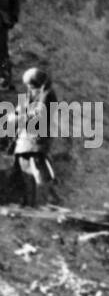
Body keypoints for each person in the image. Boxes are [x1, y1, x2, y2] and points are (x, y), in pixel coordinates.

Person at [13, 67, 57, 206]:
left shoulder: (48, 94)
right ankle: (29, 202)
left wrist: (22, 114)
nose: (30, 88)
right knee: (25, 168)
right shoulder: (30, 94)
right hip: (25, 138)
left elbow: (40, 114)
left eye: (32, 85)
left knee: (38, 168)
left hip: (37, 136)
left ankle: (46, 200)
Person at [0, 0, 18, 90]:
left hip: (2, 22)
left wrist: (13, 18)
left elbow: (15, 2)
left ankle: (6, 80)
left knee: (3, 51)